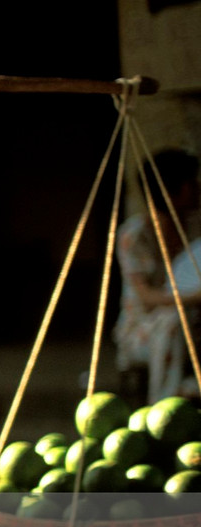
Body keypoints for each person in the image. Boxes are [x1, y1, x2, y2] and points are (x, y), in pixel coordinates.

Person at [114, 148, 201, 403]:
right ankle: (164, 407)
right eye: (192, 183)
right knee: (173, 322)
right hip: (145, 330)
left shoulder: (196, 230)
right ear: (182, 189)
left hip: (194, 327)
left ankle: (186, 390)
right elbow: (147, 298)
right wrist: (195, 298)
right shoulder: (135, 235)